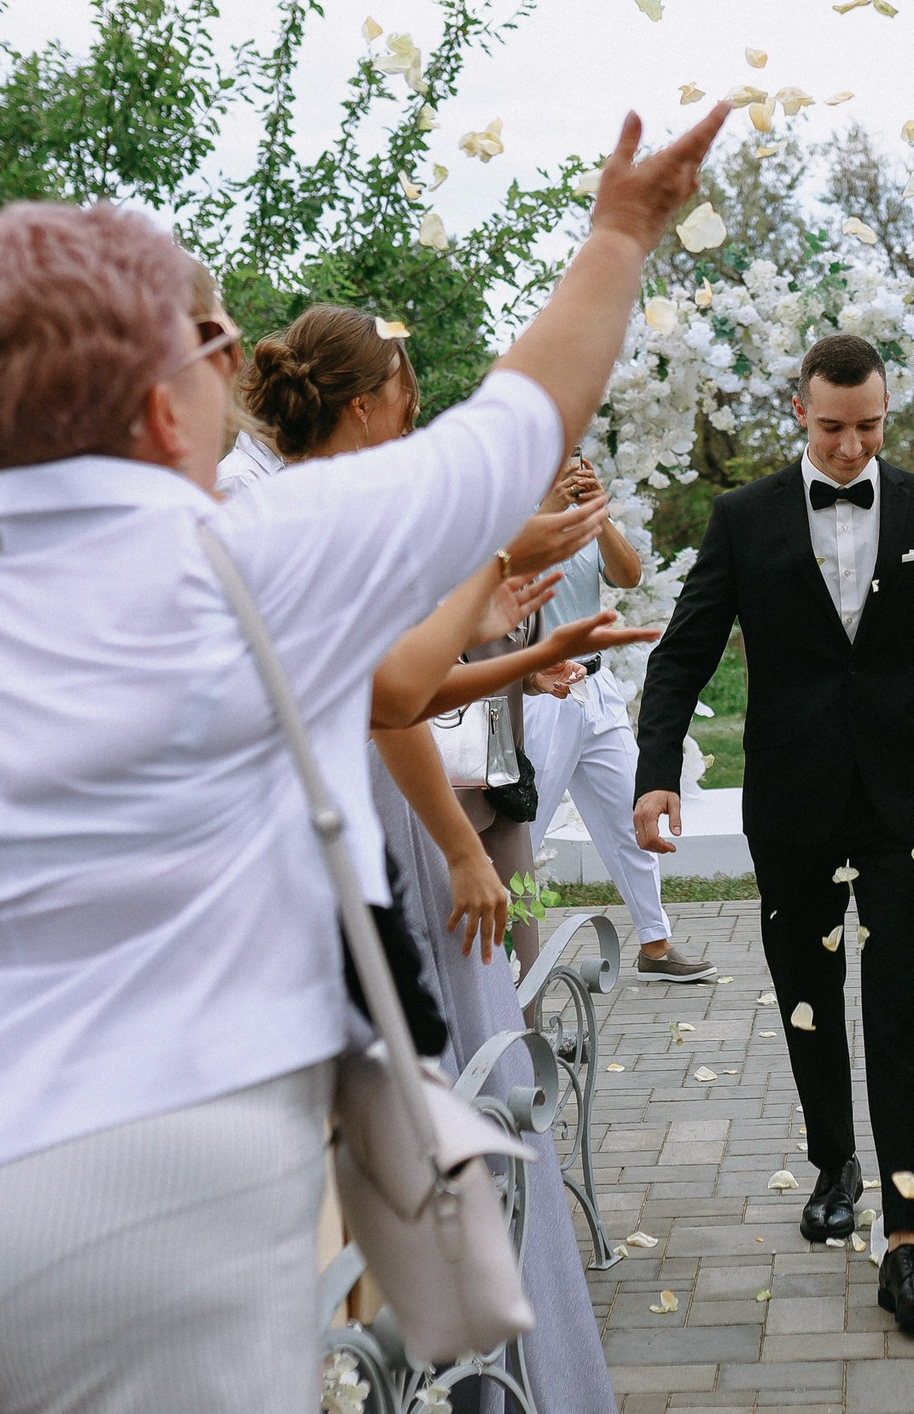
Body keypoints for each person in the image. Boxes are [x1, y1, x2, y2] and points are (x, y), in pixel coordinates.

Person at [0, 102, 727, 1413]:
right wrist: (620, 233)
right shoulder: (254, 557)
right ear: (162, 398)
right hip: (150, 1201)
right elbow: (513, 428)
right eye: (212, 345)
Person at [229, 302, 642, 1414]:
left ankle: (488, 1371)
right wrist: (465, 849)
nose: (409, 439)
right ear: (361, 406)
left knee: (473, 1075)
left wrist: (516, 651)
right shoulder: (271, 507)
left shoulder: (306, 499)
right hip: (361, 837)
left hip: (377, 813)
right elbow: (380, 707)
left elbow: (392, 681)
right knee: (449, 1088)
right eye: (405, 413)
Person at [631, 331, 914, 1335]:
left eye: (869, 427)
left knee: (899, 996)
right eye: (832, 427)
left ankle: (905, 1238)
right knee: (807, 988)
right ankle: (833, 1161)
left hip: (905, 798)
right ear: (798, 411)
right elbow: (683, 654)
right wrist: (655, 777)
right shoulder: (743, 518)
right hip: (791, 796)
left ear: (886, 412)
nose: (852, 446)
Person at [523, 453, 712, 979]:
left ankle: (655, 945)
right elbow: (505, 580)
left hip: (598, 686)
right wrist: (546, 509)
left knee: (632, 813)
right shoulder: (508, 517)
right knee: (525, 828)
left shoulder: (584, 518)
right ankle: (505, 963)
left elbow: (628, 575)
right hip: (541, 692)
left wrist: (599, 514)